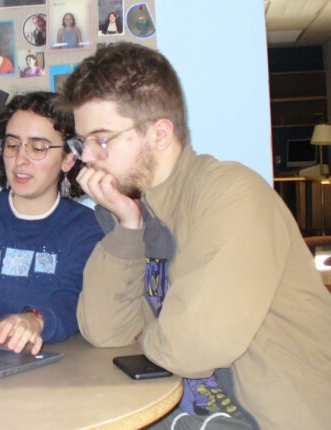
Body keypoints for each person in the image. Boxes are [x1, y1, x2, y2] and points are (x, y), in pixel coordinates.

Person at [62, 42, 331, 429]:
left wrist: (150, 336)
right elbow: (104, 332)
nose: (87, 157)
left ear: (159, 133)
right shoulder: (139, 210)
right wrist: (127, 228)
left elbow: (191, 347)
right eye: (82, 141)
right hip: (195, 408)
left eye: (101, 139)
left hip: (266, 417)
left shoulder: (231, 193)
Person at [0, 92, 104, 355]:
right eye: (13, 145)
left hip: (44, 367)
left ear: (68, 159)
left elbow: (73, 299)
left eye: (38, 148)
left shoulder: (86, 228)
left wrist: (34, 319)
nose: (20, 159)